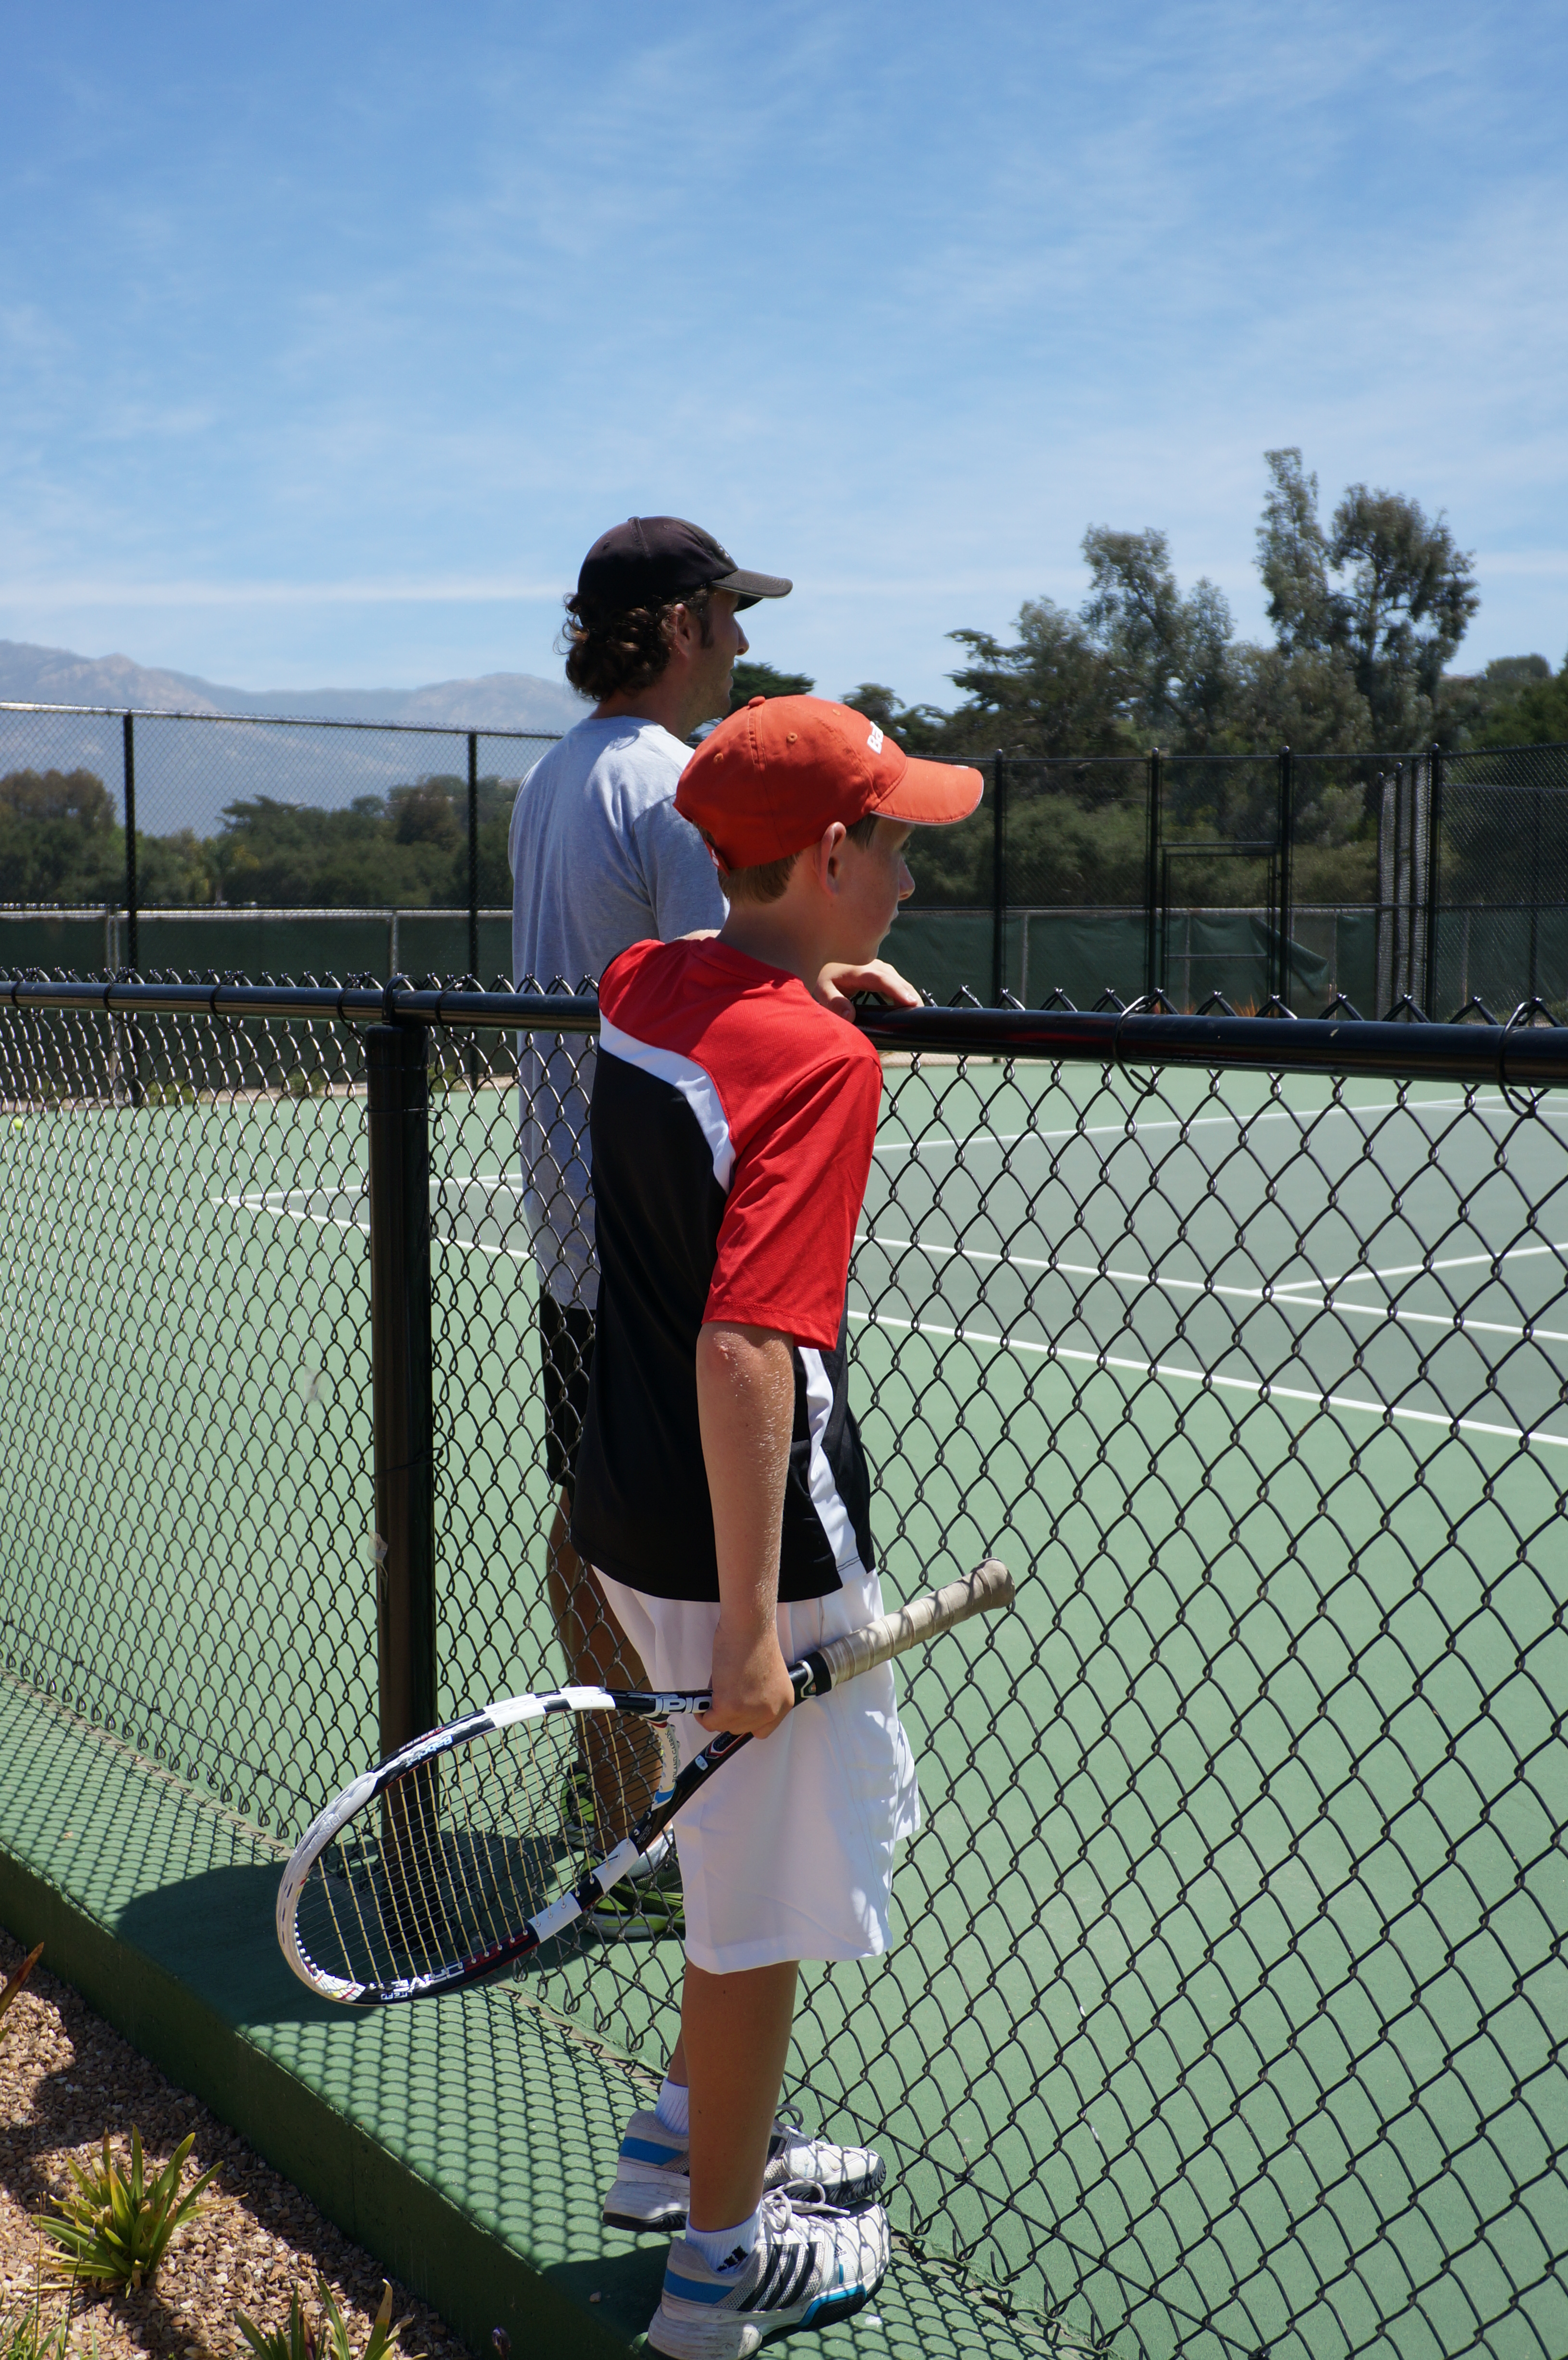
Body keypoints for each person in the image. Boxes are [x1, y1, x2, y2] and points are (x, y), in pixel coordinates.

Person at [574, 694, 983, 2356]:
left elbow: (706, 973)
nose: (909, 877)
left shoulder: (643, 982)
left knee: (730, 1861)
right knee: (756, 1920)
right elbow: (749, 1342)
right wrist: (757, 1623)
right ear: (823, 856)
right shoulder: (818, 1067)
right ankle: (716, 2277)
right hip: (751, 1545)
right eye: (891, 846)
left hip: (625, 1506)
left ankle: (684, 2142)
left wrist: (803, 971)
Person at [508, 518, 919, 1928]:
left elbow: (669, 969)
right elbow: (743, 978)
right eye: (728, 614)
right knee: (682, 1529)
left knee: (596, 1507)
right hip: (672, 1226)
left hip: (581, 1211)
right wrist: (831, 986)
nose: (742, 640)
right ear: (679, 625)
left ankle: (622, 1795)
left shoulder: (556, 773)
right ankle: (663, 1817)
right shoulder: (667, 783)